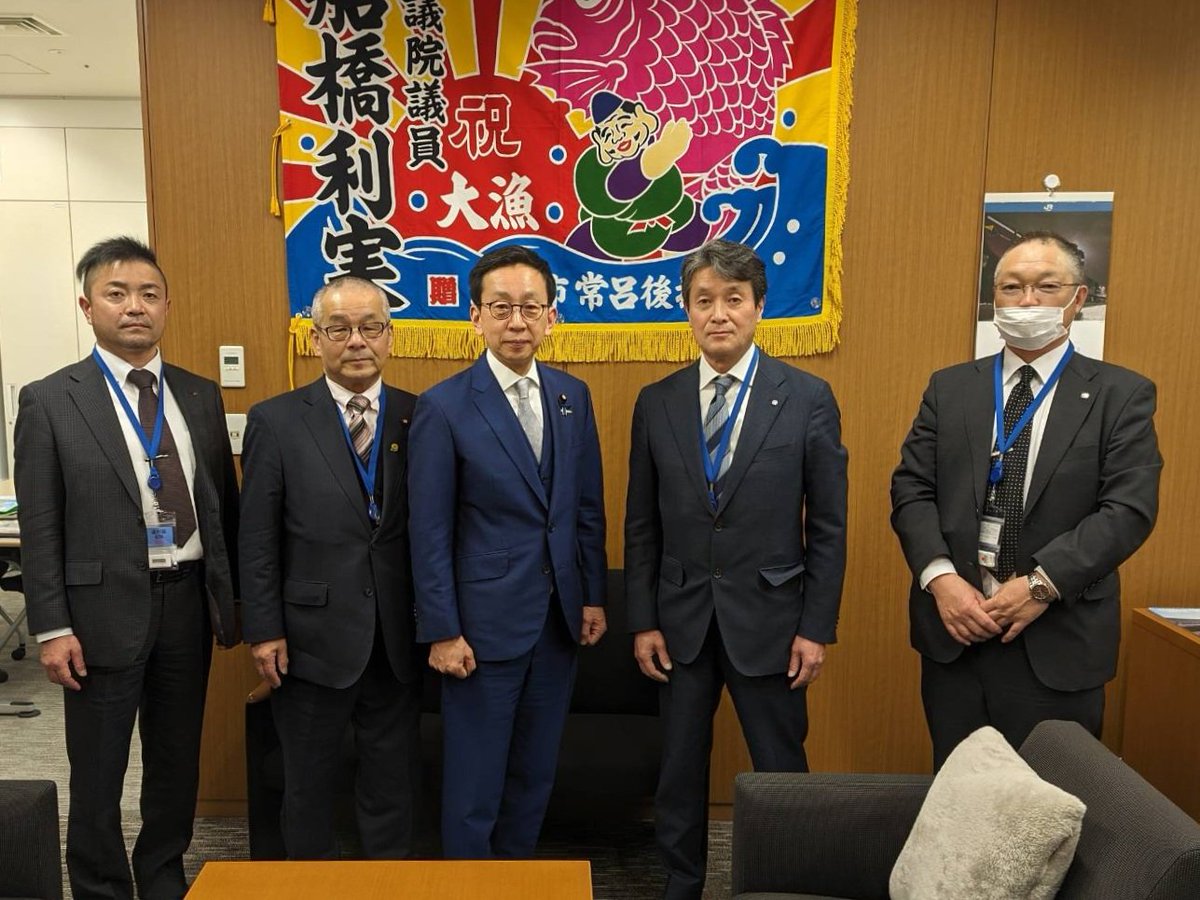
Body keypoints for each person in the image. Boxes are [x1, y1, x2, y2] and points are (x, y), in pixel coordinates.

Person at [14, 236, 240, 900]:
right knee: (99, 769)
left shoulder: (198, 394)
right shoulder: (51, 399)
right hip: (97, 612)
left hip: (187, 603)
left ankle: (164, 877)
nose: (134, 306)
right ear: (88, 307)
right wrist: (52, 626)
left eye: (148, 294)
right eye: (116, 294)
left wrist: (232, 604)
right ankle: (101, 887)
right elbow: (41, 525)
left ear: (167, 305)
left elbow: (221, 507)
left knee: (175, 762)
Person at [625, 239, 848, 900]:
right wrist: (643, 621)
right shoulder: (656, 401)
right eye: (703, 301)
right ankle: (681, 883)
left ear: (758, 307)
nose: (718, 314)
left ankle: (786, 884)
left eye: (733, 299)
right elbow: (641, 525)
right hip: (681, 622)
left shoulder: (807, 397)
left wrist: (816, 628)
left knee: (780, 769)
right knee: (678, 769)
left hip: (774, 623)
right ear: (687, 310)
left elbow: (828, 527)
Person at [891, 231, 1161, 768]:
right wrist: (941, 580)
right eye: (1011, 288)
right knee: (959, 794)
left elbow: (1127, 510)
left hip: (1058, 638)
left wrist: (1041, 585)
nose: (1027, 300)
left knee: (1052, 798)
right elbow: (911, 488)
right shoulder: (950, 389)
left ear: (1078, 298)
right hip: (957, 634)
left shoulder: (1121, 394)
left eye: (1046, 286)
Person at [408, 245, 607, 859]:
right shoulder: (443, 405)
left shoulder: (573, 396)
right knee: (475, 782)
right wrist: (442, 630)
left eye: (530, 307)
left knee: (534, 775)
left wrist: (592, 597)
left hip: (558, 621)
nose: (517, 321)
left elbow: (586, 509)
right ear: (475, 316)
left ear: (552, 317)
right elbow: (429, 531)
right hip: (480, 629)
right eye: (501, 308)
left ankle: (517, 878)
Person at [239, 276, 422, 859]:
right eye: (339, 329)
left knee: (391, 783)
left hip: (397, 637)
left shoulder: (421, 416)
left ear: (390, 336)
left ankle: (388, 886)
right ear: (315, 338)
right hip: (309, 639)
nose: (356, 341)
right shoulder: (276, 420)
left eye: (371, 327)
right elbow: (257, 537)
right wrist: (264, 629)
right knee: (308, 785)